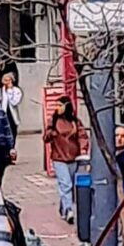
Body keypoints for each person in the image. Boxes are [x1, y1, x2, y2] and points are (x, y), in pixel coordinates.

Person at [45, 94, 85, 224]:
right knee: (66, 184)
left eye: (60, 105)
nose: (57, 108)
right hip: (59, 158)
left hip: (74, 157)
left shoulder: (75, 122)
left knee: (69, 185)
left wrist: (83, 150)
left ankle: (63, 208)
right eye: (56, 105)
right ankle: (68, 210)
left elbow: (82, 136)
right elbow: (45, 137)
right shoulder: (53, 121)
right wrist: (51, 133)